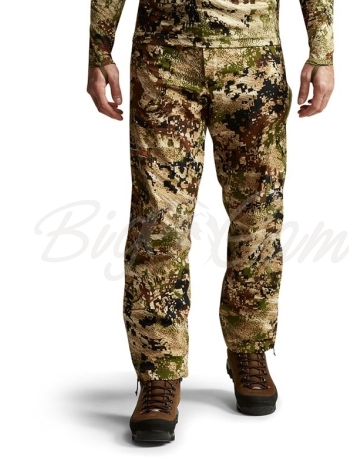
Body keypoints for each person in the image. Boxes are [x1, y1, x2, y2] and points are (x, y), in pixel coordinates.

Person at [87, 0, 334, 443]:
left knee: (258, 218)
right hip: (164, 59)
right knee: (159, 224)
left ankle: (248, 347)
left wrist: (322, 52)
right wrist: (99, 49)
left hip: (253, 58)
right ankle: (159, 371)